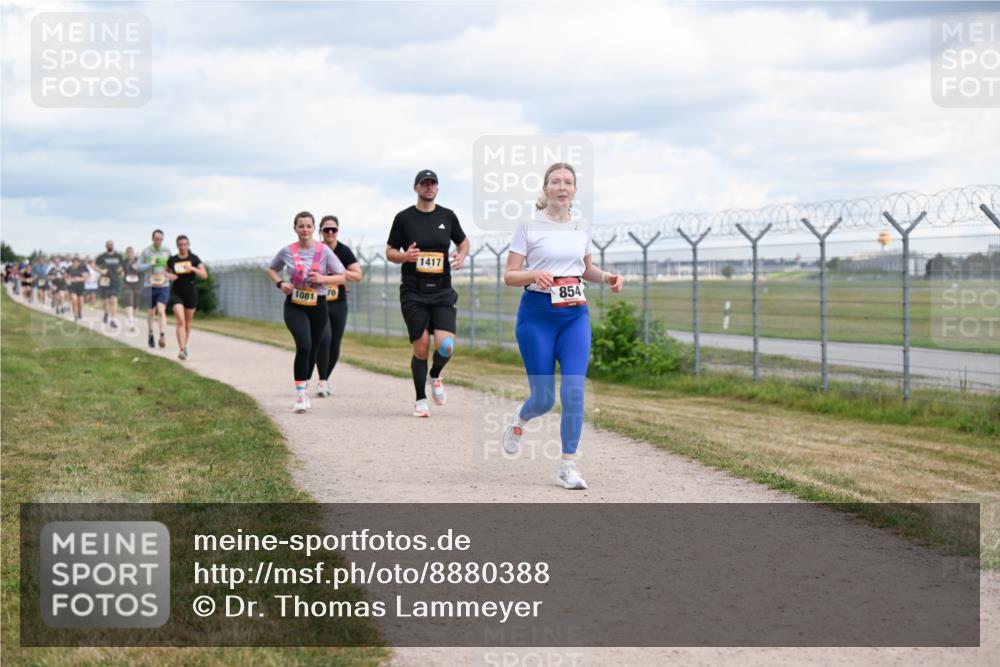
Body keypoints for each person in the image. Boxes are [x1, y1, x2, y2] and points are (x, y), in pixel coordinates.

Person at [501, 162, 623, 490]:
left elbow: (585, 269)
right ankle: (520, 420)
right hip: (537, 315)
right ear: (546, 188)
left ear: (574, 190)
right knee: (543, 398)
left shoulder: (581, 226)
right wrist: (532, 274)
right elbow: (510, 275)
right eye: (556, 181)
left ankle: (568, 466)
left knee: (573, 390)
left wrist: (607, 277)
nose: (562, 187)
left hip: (574, 315)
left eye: (568, 182)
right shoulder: (528, 225)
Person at [386, 169, 469, 417]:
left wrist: (461, 254)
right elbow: (390, 251)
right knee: (421, 347)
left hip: (442, 291)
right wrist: (405, 256)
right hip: (413, 291)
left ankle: (435, 376)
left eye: (433, 184)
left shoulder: (448, 216)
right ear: (416, 188)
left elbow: (463, 241)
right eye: (425, 184)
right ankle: (420, 399)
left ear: (437, 188)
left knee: (446, 347)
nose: (429, 187)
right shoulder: (403, 218)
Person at [266, 211, 346, 413]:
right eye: (300, 226)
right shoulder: (287, 251)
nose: (304, 229)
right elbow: (272, 269)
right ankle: (301, 395)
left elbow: (342, 277)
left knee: (314, 348)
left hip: (318, 305)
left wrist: (323, 279)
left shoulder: (324, 251)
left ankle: (306, 382)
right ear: (295, 228)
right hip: (294, 304)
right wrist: (280, 282)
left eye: (308, 226)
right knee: (304, 344)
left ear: (314, 229)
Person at [314, 215, 363, 397]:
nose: (330, 233)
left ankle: (324, 379)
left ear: (337, 231)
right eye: (326, 230)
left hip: (339, 302)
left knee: (335, 344)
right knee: (324, 339)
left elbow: (358, 276)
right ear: (321, 232)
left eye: (333, 229)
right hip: (319, 302)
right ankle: (321, 380)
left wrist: (339, 272)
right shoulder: (315, 250)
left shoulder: (343, 251)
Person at [165, 235, 207, 360]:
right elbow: (164, 271)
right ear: (177, 246)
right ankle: (182, 350)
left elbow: (204, 275)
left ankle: (184, 345)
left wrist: (192, 268)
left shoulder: (194, 258)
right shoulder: (172, 259)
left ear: (188, 245)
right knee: (181, 321)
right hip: (176, 292)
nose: (183, 247)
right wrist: (169, 276)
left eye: (185, 244)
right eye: (180, 245)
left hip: (190, 293)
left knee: (187, 324)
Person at [138, 230, 172, 349]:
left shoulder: (167, 251)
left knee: (161, 311)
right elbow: (139, 266)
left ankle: (162, 335)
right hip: (149, 286)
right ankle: (151, 334)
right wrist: (149, 264)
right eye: (156, 239)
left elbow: (170, 266)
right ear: (152, 239)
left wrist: (169, 272)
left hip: (163, 285)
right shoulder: (146, 252)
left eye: (161, 239)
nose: (159, 241)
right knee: (151, 312)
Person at [95, 240, 124, 329]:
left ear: (113, 246)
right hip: (105, 280)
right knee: (106, 302)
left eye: (111, 244)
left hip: (115, 280)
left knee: (114, 300)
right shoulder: (102, 256)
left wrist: (121, 269)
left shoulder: (118, 256)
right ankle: (106, 313)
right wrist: (100, 271)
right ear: (106, 246)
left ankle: (113, 320)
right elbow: (93, 264)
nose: (110, 246)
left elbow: (123, 265)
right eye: (108, 244)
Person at [121, 246, 142, 331]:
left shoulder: (138, 261)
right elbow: (120, 269)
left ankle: (133, 317)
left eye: (131, 252)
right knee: (129, 300)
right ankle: (130, 319)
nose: (130, 254)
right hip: (127, 284)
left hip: (137, 283)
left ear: (133, 253)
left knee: (136, 303)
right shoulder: (124, 262)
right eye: (128, 252)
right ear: (126, 253)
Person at [66, 256, 89, 321]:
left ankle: (79, 312)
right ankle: (75, 315)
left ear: (79, 263)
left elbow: (86, 278)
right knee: (74, 300)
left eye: (77, 262)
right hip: (72, 287)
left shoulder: (82, 268)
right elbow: (65, 276)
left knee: (80, 302)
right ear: (72, 262)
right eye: (74, 262)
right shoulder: (69, 268)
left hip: (80, 287)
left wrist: (79, 279)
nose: (75, 263)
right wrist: (68, 280)